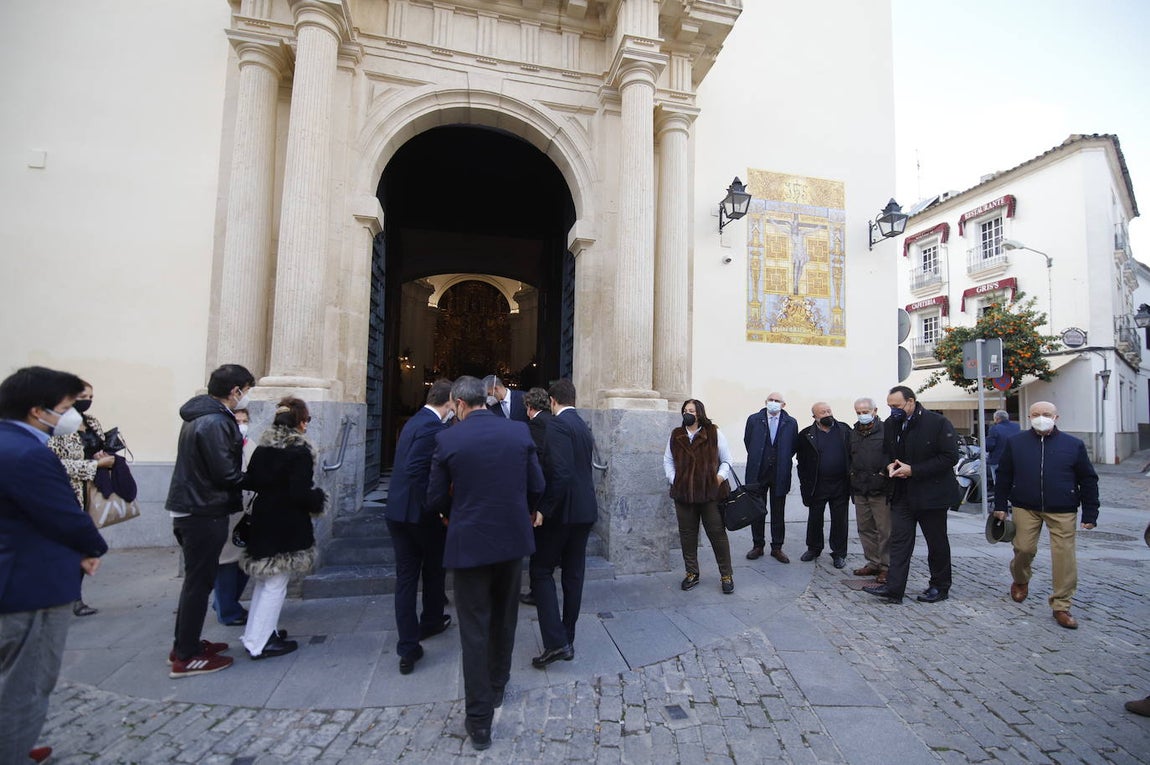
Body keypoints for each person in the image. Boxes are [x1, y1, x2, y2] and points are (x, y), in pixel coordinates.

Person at [426, 376, 544, 751]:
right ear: (485, 399)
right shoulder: (518, 434)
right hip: (511, 542)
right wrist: (521, 510)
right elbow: (537, 484)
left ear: (459, 405)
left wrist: (452, 515)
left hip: (469, 543)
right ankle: (498, 684)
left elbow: (433, 499)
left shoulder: (448, 439)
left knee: (473, 628)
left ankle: (479, 721)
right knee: (505, 616)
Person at [0, 366, 108, 765]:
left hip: (19, 573)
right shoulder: (28, 453)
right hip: (29, 587)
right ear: (36, 410)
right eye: (65, 407)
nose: (71, 415)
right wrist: (92, 547)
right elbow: (62, 514)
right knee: (25, 687)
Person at [165, 363, 254, 677]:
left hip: (193, 506)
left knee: (196, 582)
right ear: (235, 391)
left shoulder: (200, 417)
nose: (246, 397)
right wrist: (260, 479)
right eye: (246, 390)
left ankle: (185, 643)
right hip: (203, 510)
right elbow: (225, 472)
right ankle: (186, 656)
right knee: (198, 584)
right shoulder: (215, 422)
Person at [992, 401, 1098, 630]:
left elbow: (1088, 479)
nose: (1042, 417)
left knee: (1064, 556)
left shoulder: (1073, 445)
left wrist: (1090, 512)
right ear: (1029, 417)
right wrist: (1000, 504)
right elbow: (1004, 475)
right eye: (1036, 414)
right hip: (1025, 505)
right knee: (1023, 548)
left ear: (1056, 417)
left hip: (1062, 507)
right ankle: (1021, 579)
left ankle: (1061, 604)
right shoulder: (1016, 442)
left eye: (1046, 414)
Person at [239, 397, 326, 659]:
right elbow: (300, 493)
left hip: (264, 518)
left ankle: (257, 634)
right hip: (286, 524)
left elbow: (252, 480)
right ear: (300, 421)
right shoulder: (299, 452)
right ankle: (262, 643)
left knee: (264, 582)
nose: (307, 425)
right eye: (307, 420)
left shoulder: (263, 448)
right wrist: (319, 498)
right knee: (276, 585)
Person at [863, 385, 959, 605]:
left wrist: (913, 470)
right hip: (901, 493)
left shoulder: (937, 423)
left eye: (896, 406)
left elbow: (949, 457)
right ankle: (894, 588)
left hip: (932, 495)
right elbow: (886, 451)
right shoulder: (891, 424)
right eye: (889, 406)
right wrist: (888, 465)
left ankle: (939, 586)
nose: (893, 410)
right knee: (899, 542)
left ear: (911, 402)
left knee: (936, 543)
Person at [385, 379, 453, 674]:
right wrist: (435, 506)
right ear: (449, 401)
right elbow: (415, 469)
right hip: (418, 515)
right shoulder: (431, 427)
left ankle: (423, 628)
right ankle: (415, 639)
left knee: (407, 578)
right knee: (433, 568)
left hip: (398, 511)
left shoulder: (415, 421)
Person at [530, 379, 599, 666]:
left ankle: (556, 642)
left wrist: (544, 509)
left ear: (552, 400)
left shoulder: (558, 425)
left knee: (540, 571)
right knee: (573, 575)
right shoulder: (582, 425)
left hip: (562, 513)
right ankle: (566, 636)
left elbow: (560, 472)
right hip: (584, 511)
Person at [47, 380, 115, 617]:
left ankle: (74, 598)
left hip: (91, 492)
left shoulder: (91, 422)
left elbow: (98, 448)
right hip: (66, 493)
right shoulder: (55, 425)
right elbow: (55, 465)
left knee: (82, 547)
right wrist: (94, 464)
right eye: (83, 396)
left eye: (91, 396)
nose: (87, 401)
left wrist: (104, 455)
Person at [664, 398, 735, 593]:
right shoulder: (676, 434)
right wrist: (674, 479)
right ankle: (692, 573)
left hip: (710, 494)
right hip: (684, 495)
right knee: (687, 535)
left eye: (692, 410)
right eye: (686, 410)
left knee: (717, 534)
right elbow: (668, 460)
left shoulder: (713, 432)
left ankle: (726, 574)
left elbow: (727, 460)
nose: (688, 413)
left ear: (700, 413)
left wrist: (718, 479)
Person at [744, 392, 799, 563]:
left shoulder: (790, 422)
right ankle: (757, 545)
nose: (773, 403)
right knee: (757, 510)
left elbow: (793, 446)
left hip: (779, 472)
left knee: (778, 511)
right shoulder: (754, 419)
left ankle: (777, 547)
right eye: (771, 400)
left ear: (784, 405)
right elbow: (748, 441)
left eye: (777, 401)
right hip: (758, 471)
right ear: (765, 402)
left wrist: (780, 459)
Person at [795, 402, 852, 568]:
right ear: (815, 417)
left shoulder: (844, 429)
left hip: (841, 484)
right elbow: (801, 461)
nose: (827, 414)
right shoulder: (806, 434)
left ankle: (839, 553)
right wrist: (804, 483)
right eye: (822, 412)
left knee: (840, 520)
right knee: (815, 518)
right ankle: (813, 548)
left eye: (829, 411)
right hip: (817, 485)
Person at [212, 408, 255, 627]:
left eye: (245, 420)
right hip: (227, 510)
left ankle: (224, 602)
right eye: (237, 421)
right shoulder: (220, 447)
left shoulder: (251, 445)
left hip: (247, 512)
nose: (241, 425)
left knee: (244, 560)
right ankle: (227, 609)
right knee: (227, 561)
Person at [848, 398, 891, 582]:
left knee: (885, 530)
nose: (862, 415)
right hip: (860, 487)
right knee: (865, 528)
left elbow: (891, 454)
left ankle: (886, 566)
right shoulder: (853, 433)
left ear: (875, 410)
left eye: (865, 411)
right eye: (858, 412)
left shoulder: (886, 430)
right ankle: (873, 562)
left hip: (880, 488)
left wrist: (884, 474)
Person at [519, 387, 553, 607]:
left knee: (538, 547)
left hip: (541, 494)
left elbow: (535, 464)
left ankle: (535, 590)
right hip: (554, 494)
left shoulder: (535, 426)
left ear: (530, 407)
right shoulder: (555, 422)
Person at [985, 410, 1020, 488]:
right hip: (1014, 459)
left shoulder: (994, 428)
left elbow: (989, 446)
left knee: (999, 484)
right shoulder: (1016, 426)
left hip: (997, 459)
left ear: (997, 419)